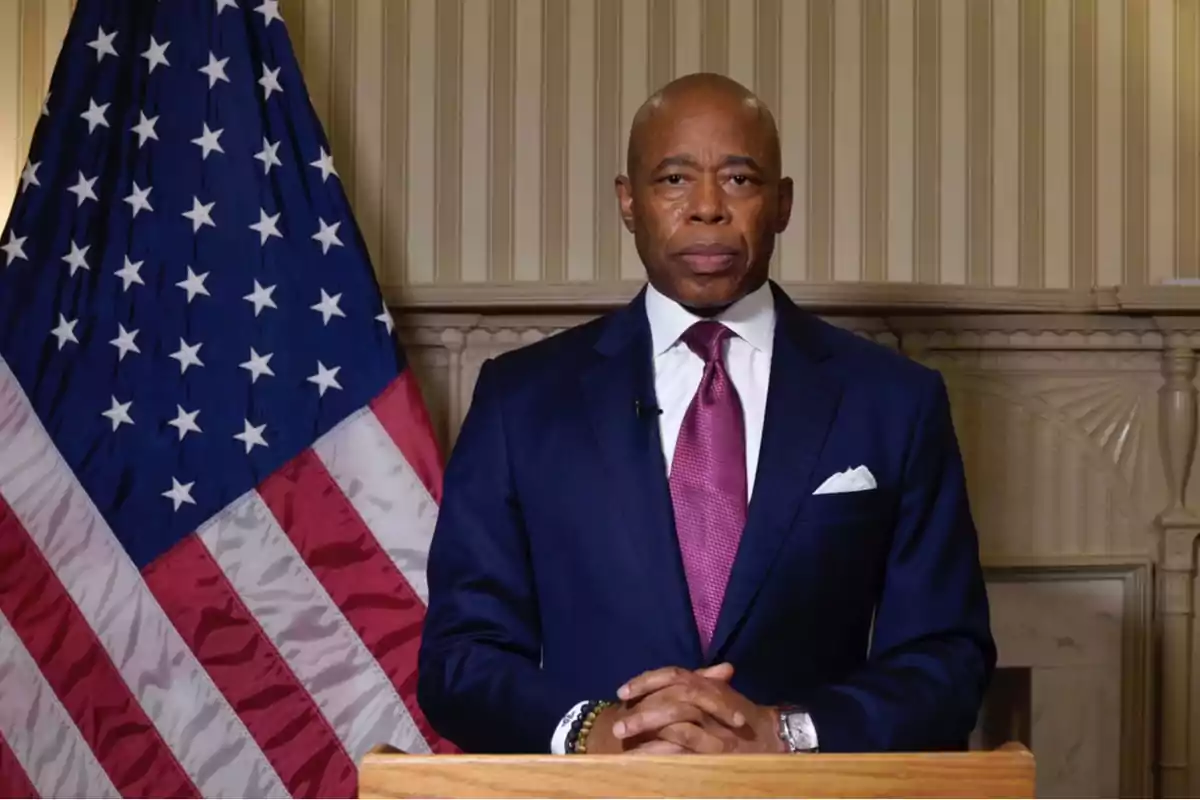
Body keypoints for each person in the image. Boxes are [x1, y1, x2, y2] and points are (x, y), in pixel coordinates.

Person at [417, 72, 995, 756]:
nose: (708, 208)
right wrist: (600, 731)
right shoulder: (520, 400)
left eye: (741, 180)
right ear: (627, 202)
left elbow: (946, 660)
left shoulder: (895, 401)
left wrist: (784, 734)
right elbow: (460, 660)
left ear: (782, 204)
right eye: (673, 180)